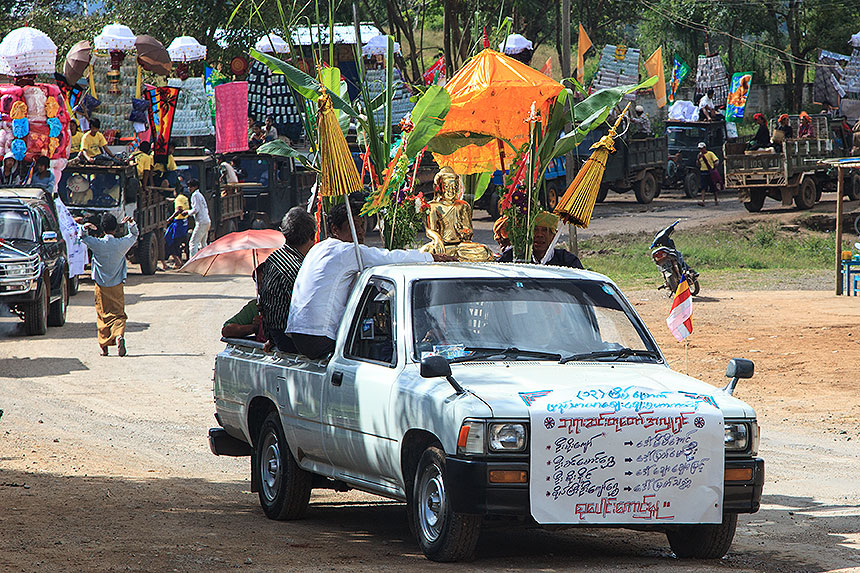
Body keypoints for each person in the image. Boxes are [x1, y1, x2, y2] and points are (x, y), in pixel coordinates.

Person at [287, 201, 452, 359]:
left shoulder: (318, 248)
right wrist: (431, 257)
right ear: (334, 229)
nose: (360, 232)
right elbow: (388, 257)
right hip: (319, 337)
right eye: (354, 226)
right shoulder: (346, 251)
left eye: (362, 226)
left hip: (297, 335)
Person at [256, 207, 316, 351]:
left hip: (275, 334)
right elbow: (305, 310)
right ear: (312, 236)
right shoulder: (297, 268)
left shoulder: (273, 258)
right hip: (289, 338)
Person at [80, 213, 139, 356]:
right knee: (118, 314)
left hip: (101, 286)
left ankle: (104, 347)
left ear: (102, 228)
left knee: (102, 314)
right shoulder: (121, 245)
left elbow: (83, 238)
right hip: (117, 284)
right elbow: (134, 236)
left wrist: (85, 227)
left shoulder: (98, 244)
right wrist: (131, 223)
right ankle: (119, 335)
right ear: (116, 228)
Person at [498, 211, 584, 267]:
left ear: (553, 236)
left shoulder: (567, 261)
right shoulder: (513, 257)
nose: (539, 235)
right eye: (535, 230)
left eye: (545, 230)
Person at [162, 186, 190, 270]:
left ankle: (178, 261)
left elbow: (178, 209)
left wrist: (170, 218)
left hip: (178, 223)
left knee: (171, 242)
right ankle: (179, 261)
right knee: (177, 242)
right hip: (184, 222)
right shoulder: (184, 198)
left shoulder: (178, 199)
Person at [184, 179, 210, 257]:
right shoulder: (200, 195)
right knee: (203, 243)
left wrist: (187, 212)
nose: (189, 188)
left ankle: (193, 262)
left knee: (193, 243)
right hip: (207, 221)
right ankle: (205, 261)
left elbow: (196, 209)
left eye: (191, 186)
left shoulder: (195, 195)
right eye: (188, 186)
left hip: (201, 222)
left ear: (196, 187)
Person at [696, 141, 720, 206]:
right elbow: (698, 165)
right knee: (703, 187)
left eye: (701, 148)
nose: (700, 150)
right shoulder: (699, 155)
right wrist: (698, 159)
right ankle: (703, 201)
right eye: (699, 149)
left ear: (704, 148)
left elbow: (716, 160)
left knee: (713, 187)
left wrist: (714, 167)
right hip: (703, 172)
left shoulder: (710, 153)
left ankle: (716, 200)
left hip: (710, 172)